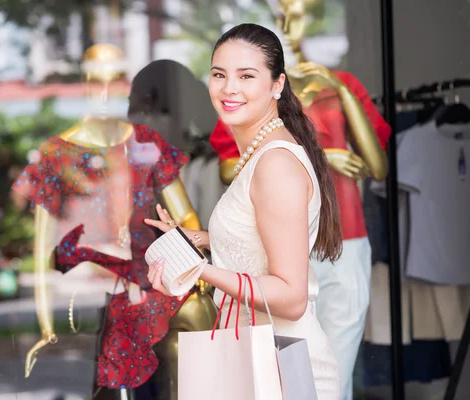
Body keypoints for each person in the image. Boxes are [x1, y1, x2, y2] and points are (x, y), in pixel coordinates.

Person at [144, 23, 342, 399]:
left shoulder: (275, 164)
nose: (228, 88)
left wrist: (199, 268)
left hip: (281, 367)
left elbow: (290, 296)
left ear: (277, 85)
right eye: (219, 74)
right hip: (251, 354)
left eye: (246, 76)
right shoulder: (261, 154)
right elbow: (255, 244)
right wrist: (197, 240)